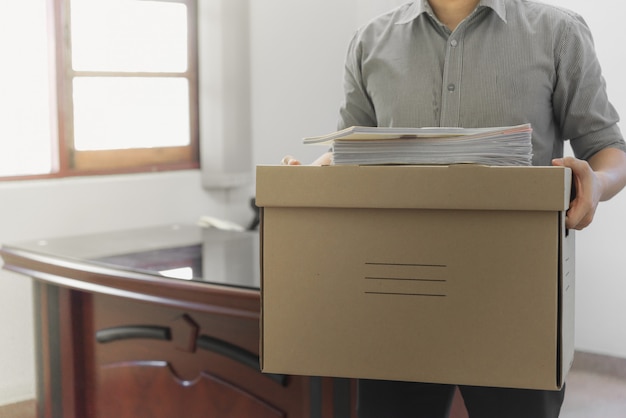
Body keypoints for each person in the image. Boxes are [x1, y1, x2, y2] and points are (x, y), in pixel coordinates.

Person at [282, 0, 626, 416]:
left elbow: (609, 148)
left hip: (516, 296)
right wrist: (310, 182)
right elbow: (350, 152)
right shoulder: (370, 40)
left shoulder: (558, 31)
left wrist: (596, 183)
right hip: (392, 294)